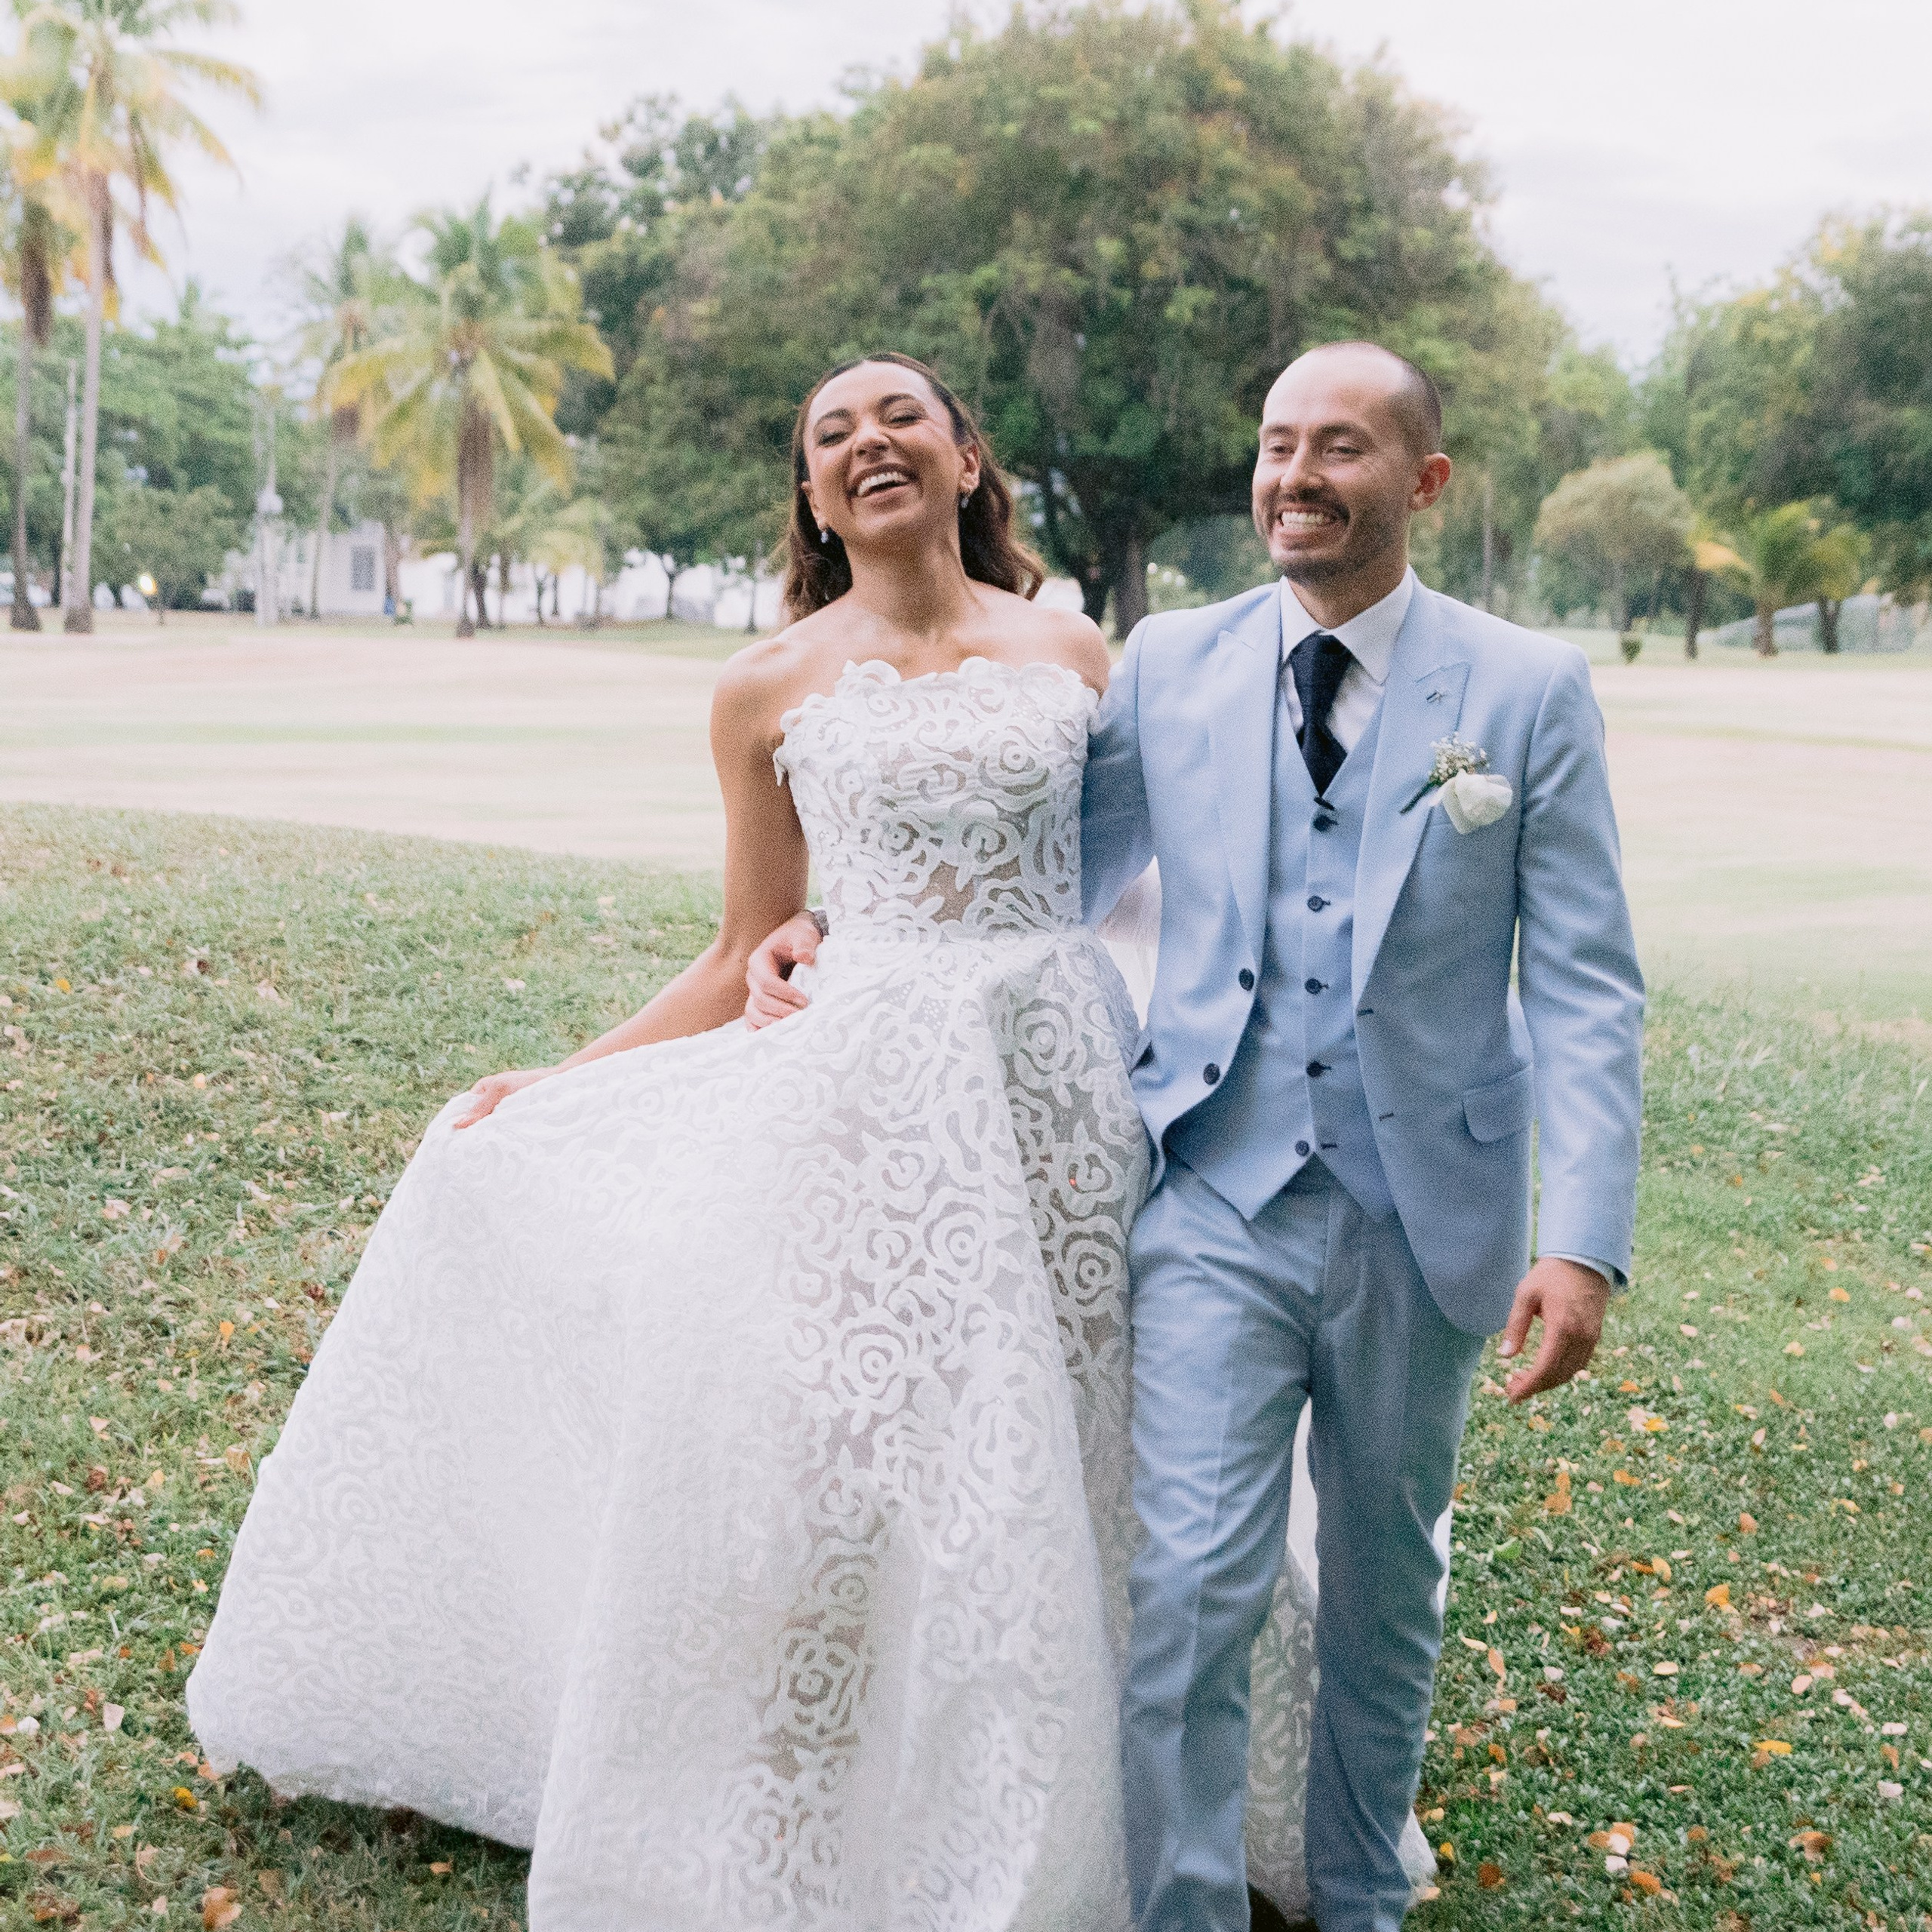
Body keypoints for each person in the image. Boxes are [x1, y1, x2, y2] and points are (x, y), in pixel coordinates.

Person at [186, 351, 1333, 1930]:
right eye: (830, 436)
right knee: (855, 1452)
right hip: (858, 1111)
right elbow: (742, 947)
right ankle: (835, 1806)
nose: (868, 443)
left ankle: (1115, 1803)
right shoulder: (764, 684)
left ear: (962, 458)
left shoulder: (1073, 652)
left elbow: (1127, 878)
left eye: (899, 418)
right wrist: (557, 1080)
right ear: (812, 494)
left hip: (1053, 1098)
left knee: (1076, 1438)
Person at [748, 342, 1644, 1932]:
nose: (1295, 475)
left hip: (1421, 1208)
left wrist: (1577, 1237)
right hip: (1209, 1195)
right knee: (1187, 1587)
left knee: (1383, 1584)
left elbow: (1580, 984)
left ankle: (1358, 1893)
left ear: (1420, 481)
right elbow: (1035, 862)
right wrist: (828, 920)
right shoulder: (1168, 663)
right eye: (1276, 443)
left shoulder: (1521, 690)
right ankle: (1180, 1909)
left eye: (1341, 448)